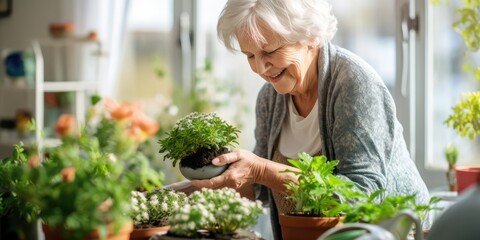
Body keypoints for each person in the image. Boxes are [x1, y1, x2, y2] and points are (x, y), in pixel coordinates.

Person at [190, 0, 430, 239]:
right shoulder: (269, 98)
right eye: (249, 55)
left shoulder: (353, 83)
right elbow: (261, 190)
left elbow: (361, 195)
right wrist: (211, 181)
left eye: (269, 51)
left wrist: (262, 169)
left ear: (310, 36)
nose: (261, 68)